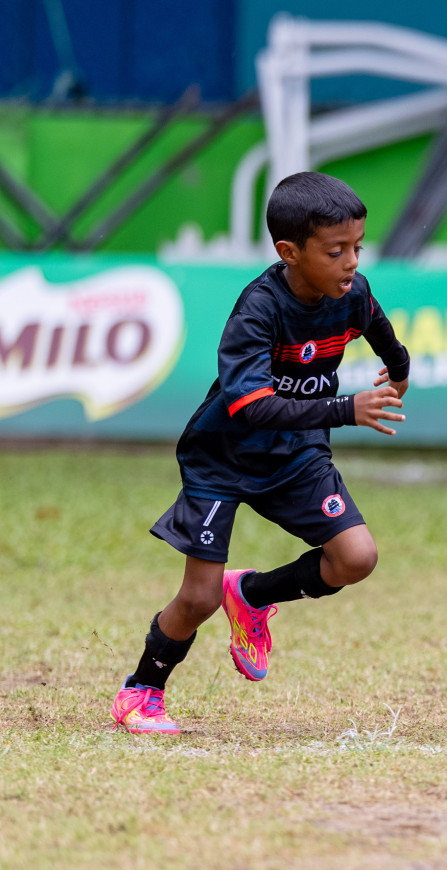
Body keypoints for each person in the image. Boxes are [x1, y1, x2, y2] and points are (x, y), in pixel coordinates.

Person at [110, 171, 411, 734]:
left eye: (357, 247)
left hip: (296, 453)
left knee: (356, 558)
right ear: (289, 252)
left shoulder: (354, 293)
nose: (352, 262)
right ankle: (142, 689)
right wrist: (347, 408)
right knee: (197, 598)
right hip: (223, 459)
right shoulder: (258, 311)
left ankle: (249, 594)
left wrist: (399, 370)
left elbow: (378, 326)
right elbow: (250, 408)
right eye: (337, 250)